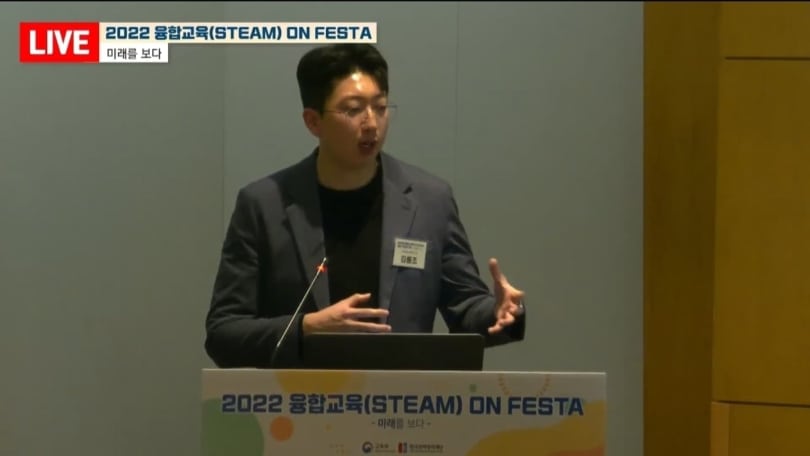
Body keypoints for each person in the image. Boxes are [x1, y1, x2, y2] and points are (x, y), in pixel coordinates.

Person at [204, 43, 527, 368]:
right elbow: (224, 333)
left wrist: (500, 312)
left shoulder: (430, 201)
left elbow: (466, 308)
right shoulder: (263, 205)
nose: (372, 123)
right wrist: (306, 328)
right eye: (353, 110)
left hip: (400, 396)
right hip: (301, 397)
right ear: (313, 121)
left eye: (381, 107)